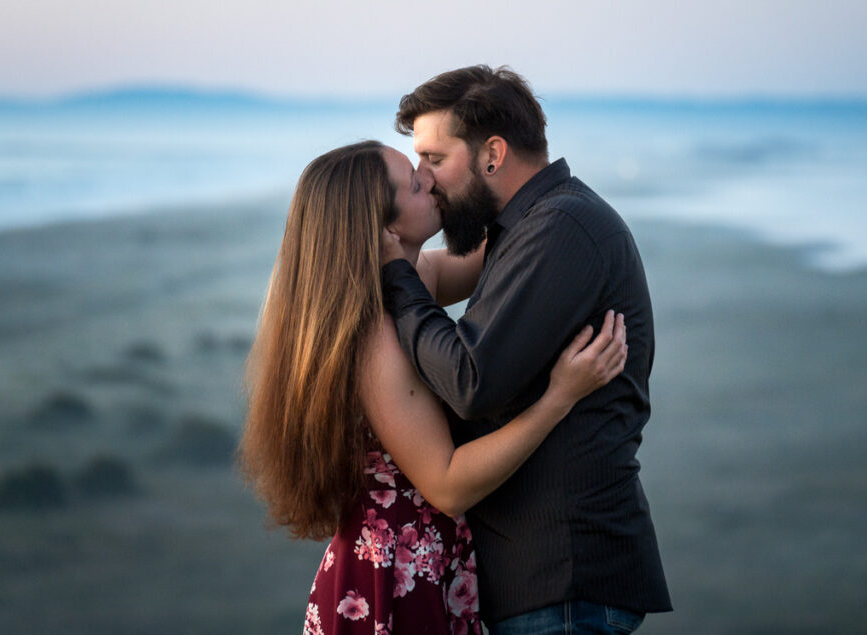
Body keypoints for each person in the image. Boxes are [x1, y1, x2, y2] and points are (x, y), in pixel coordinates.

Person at [239, 140, 629, 634]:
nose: (430, 179)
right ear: (386, 229)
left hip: (425, 565)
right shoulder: (375, 340)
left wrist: (508, 173)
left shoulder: (408, 277)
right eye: (416, 182)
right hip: (395, 583)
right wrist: (559, 398)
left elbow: (514, 250)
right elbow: (448, 485)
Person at [381, 66, 672, 633]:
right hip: (544, 580)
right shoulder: (523, 228)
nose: (426, 178)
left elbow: (470, 380)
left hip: (564, 578)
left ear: (492, 154)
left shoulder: (562, 225)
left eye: (435, 160)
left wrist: (394, 274)